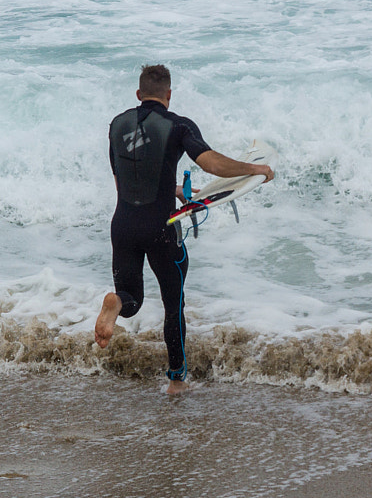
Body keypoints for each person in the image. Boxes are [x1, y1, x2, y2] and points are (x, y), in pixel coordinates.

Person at [93, 64, 274, 395]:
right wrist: (255, 168)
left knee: (131, 297)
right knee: (172, 304)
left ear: (138, 94)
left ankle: (115, 303)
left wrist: (171, 188)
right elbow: (210, 163)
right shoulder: (177, 125)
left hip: (123, 225)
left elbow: (125, 181)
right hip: (162, 229)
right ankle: (176, 380)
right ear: (169, 95)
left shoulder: (117, 125)